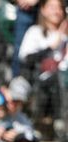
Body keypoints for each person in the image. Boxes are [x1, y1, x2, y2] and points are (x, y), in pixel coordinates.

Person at [18, 0, 67, 130]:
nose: (57, 11)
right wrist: (51, 47)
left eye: (60, 8)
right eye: (52, 7)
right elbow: (26, 60)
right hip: (39, 82)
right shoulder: (35, 32)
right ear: (43, 10)